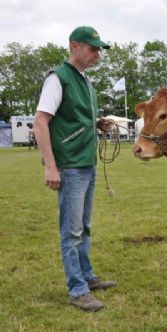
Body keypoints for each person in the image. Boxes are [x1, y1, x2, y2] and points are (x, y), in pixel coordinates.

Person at [33, 26, 116, 312]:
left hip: (87, 164)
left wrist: (97, 124)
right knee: (71, 231)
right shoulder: (59, 78)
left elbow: (72, 120)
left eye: (99, 49)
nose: (97, 54)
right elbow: (40, 122)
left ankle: (87, 276)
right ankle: (77, 289)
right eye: (93, 48)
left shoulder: (84, 82)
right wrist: (51, 167)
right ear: (74, 46)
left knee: (84, 227)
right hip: (69, 167)